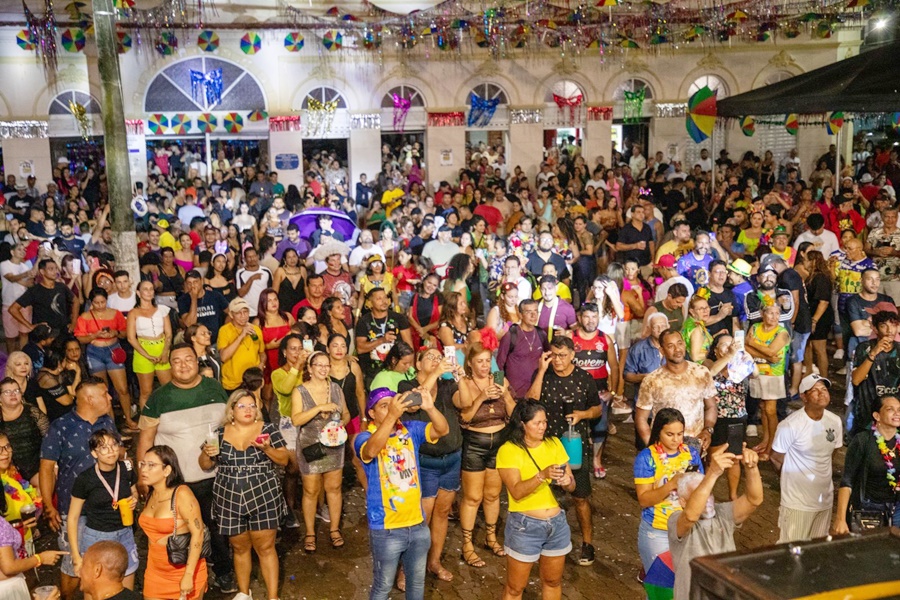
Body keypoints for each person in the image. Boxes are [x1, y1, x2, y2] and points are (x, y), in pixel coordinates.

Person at [137, 344, 234, 594]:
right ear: (170, 365)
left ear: (197, 361)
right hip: (177, 484)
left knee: (215, 528)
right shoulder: (159, 397)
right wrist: (143, 477)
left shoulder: (215, 388)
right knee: (180, 534)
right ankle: (178, 581)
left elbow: (229, 425)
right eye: (177, 361)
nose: (183, 365)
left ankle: (223, 572)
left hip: (215, 476)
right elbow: (146, 439)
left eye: (188, 359)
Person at [355, 387, 449, 600]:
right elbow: (370, 451)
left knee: (416, 585)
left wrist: (430, 407)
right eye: (384, 406)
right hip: (387, 528)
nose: (391, 409)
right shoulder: (364, 436)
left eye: (393, 403)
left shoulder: (410, 429)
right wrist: (392, 417)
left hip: (417, 525)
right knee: (383, 587)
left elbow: (442, 430)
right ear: (371, 413)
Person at [199, 389, 289, 600]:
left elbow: (284, 459)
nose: (248, 410)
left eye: (252, 406)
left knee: (266, 548)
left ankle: (273, 596)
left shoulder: (268, 429)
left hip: (264, 494)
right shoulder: (218, 433)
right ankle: (243, 592)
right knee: (239, 548)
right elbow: (204, 465)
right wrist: (206, 453)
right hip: (228, 496)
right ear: (232, 409)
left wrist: (267, 449)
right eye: (242, 406)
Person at [40, 377, 118, 600]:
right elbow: (46, 468)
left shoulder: (107, 423)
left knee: (105, 559)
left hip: (106, 506)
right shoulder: (61, 426)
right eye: (104, 393)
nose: (110, 397)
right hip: (74, 508)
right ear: (89, 399)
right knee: (74, 563)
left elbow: (119, 455)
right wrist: (48, 505)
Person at [526, 336, 601, 566]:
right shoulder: (544, 376)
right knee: (544, 496)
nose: (557, 360)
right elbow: (529, 402)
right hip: (545, 445)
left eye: (562, 355)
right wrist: (540, 370)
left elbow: (597, 409)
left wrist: (582, 415)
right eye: (553, 355)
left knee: (580, 497)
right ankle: (542, 542)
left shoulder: (584, 378)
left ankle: (587, 543)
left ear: (572, 355)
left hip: (574, 446)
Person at [496, 400, 575, 600]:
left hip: (556, 524)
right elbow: (516, 491)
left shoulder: (554, 443)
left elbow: (572, 485)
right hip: (525, 526)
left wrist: (567, 481)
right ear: (522, 424)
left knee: (552, 582)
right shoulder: (509, 450)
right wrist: (541, 475)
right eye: (537, 423)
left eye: (545, 422)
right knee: (515, 588)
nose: (543, 427)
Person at [398, 349, 462, 582]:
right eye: (430, 357)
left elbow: (464, 404)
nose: (437, 360)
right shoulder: (406, 385)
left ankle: (434, 562)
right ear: (417, 363)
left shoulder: (446, 386)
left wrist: (460, 378)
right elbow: (413, 404)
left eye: (439, 357)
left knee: (443, 512)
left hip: (452, 457)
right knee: (421, 517)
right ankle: (407, 567)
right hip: (425, 461)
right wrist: (435, 373)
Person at [668, 445, 763, 599]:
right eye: (698, 494)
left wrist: (751, 468)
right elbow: (691, 516)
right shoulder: (675, 520)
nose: (707, 500)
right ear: (683, 502)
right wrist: (712, 473)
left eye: (709, 493)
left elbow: (754, 500)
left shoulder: (722, 513)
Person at [454, 341, 517, 568]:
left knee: (492, 495)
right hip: (475, 444)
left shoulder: (499, 378)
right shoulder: (466, 383)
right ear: (469, 363)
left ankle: (491, 538)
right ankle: (467, 544)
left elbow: (513, 414)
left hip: (499, 444)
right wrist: (481, 397)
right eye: (479, 361)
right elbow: (465, 417)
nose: (484, 366)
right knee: (473, 497)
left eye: (487, 361)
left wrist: (506, 396)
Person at [770, 374, 842, 543]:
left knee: (816, 550)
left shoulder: (835, 421)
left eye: (824, 389)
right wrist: (791, 479)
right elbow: (775, 458)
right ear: (803, 396)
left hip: (824, 500)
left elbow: (832, 453)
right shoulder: (790, 425)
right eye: (815, 390)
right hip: (797, 503)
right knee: (792, 550)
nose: (821, 393)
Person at [292, 350, 350, 553]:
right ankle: (310, 532)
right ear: (310, 368)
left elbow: (346, 414)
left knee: (334, 488)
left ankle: (334, 529)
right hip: (311, 445)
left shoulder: (335, 388)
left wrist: (339, 425)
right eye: (319, 365)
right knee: (311, 490)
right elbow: (296, 420)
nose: (324, 369)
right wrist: (319, 408)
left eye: (327, 365)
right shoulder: (300, 391)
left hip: (333, 444)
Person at [67, 430, 139, 590]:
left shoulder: (126, 469)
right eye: (104, 447)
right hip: (97, 537)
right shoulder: (85, 479)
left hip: (125, 533)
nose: (111, 450)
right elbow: (73, 517)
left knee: (126, 590)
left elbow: (134, 492)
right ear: (94, 453)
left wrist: (134, 499)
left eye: (114, 445)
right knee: (95, 591)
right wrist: (76, 556)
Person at [633, 408, 703, 574]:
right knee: (661, 587)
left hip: (687, 528)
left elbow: (702, 490)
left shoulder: (691, 454)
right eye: (670, 434)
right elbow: (644, 499)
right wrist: (670, 485)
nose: (676, 439)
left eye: (680, 434)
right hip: (658, 531)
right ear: (658, 432)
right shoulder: (646, 458)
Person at [139, 445, 208, 600]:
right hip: (155, 573)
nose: (144, 470)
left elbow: (198, 533)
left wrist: (188, 575)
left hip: (183, 571)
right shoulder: (151, 493)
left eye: (151, 465)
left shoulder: (182, 494)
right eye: (143, 464)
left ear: (167, 470)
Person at [635, 329, 717, 451]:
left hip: (695, 446)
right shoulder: (652, 380)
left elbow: (711, 407)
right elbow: (641, 418)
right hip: (664, 450)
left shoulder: (701, 373)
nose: (677, 349)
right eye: (670, 346)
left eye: (679, 343)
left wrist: (707, 430)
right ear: (662, 350)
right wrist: (652, 447)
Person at [833, 395, 900, 534]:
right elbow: (847, 481)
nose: (897, 413)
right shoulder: (863, 441)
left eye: (899, 409)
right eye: (890, 409)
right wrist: (840, 518)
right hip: (868, 511)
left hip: (897, 511)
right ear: (877, 415)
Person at [74, 288, 137, 432]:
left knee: (122, 388)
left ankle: (128, 418)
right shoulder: (85, 317)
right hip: (94, 352)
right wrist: (94, 335)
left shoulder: (115, 314)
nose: (100, 305)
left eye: (103, 302)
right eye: (96, 303)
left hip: (113, 350)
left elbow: (125, 332)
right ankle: (110, 423)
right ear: (92, 302)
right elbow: (80, 338)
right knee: (102, 390)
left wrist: (115, 333)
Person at [745, 304, 791, 460]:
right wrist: (767, 357)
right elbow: (745, 347)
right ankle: (765, 439)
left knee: (771, 410)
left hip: (773, 375)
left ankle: (773, 444)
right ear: (762, 314)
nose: (774, 317)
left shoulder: (782, 332)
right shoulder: (755, 327)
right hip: (757, 372)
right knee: (763, 407)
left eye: (777, 313)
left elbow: (773, 351)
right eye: (771, 313)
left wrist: (753, 344)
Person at [850, 310, 900, 435]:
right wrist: (873, 353)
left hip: (894, 417)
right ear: (876, 329)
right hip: (867, 415)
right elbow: (856, 380)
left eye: (893, 325)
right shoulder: (864, 348)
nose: (890, 330)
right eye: (884, 326)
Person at [126, 280, 172, 410]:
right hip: (143, 350)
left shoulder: (162, 309)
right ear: (139, 293)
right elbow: (131, 338)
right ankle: (146, 421)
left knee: (168, 387)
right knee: (146, 391)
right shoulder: (133, 313)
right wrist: (147, 355)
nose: (149, 292)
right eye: (145, 289)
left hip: (161, 347)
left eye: (151, 289)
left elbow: (168, 334)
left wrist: (164, 353)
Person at [355, 288, 413, 388]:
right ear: (370, 303)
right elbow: (360, 348)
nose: (384, 301)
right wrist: (382, 340)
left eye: (385, 297)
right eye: (379, 299)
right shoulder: (363, 321)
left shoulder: (399, 318)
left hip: (398, 372)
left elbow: (409, 347)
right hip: (373, 373)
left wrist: (411, 369)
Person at [496, 299, 550, 400]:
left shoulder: (541, 334)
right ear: (520, 315)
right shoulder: (511, 335)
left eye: (535, 311)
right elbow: (498, 365)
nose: (533, 315)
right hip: (515, 396)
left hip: (537, 394)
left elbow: (548, 357)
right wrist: (499, 391)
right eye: (529, 312)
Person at [0, 377, 48, 485]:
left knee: (44, 483)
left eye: (16, 391)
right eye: (7, 392)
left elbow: (49, 438)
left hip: (37, 465)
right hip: (7, 466)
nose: (13, 394)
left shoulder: (32, 411)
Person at [9, 258, 76, 335]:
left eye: (56, 268)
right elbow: (13, 309)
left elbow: (75, 301)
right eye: (51, 269)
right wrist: (30, 326)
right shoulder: (34, 291)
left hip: (63, 330)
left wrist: (73, 322)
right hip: (45, 334)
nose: (55, 271)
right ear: (42, 271)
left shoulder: (62, 287)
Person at [217, 297, 266, 393]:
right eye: (239, 313)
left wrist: (262, 364)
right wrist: (241, 336)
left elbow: (262, 353)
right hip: (233, 383)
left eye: (245, 312)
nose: (243, 316)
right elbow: (223, 357)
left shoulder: (256, 329)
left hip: (252, 380)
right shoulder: (224, 331)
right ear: (231, 314)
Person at [0, 243, 34, 353]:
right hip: (9, 303)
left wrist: (20, 279)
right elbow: (10, 278)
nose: (23, 251)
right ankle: (11, 359)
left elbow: (30, 284)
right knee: (10, 336)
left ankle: (23, 356)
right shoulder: (4, 264)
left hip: (23, 304)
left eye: (24, 249)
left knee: (24, 333)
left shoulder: (25, 266)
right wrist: (24, 276)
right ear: (12, 252)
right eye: (19, 249)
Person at [178, 270, 229, 342]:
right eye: (189, 283)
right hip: (196, 341)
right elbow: (189, 323)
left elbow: (230, 312)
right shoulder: (183, 300)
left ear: (201, 281)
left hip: (216, 339)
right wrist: (194, 299)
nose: (192, 286)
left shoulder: (215, 295)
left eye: (195, 282)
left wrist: (224, 330)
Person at [682, 295, 713, 363]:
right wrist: (712, 353)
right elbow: (695, 357)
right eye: (701, 309)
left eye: (707, 307)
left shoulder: (690, 322)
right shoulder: (696, 329)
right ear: (692, 311)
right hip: (699, 367)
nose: (705, 311)